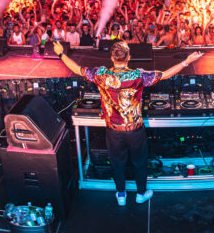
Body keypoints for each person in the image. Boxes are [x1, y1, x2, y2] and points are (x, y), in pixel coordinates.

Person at [53, 40, 203, 206]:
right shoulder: (138, 76)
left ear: (112, 57)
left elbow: (76, 69)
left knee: (117, 163)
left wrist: (61, 53)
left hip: (113, 130)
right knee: (139, 162)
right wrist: (186, 61)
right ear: (129, 57)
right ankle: (141, 194)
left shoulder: (101, 74)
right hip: (135, 130)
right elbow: (165, 74)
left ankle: (121, 195)